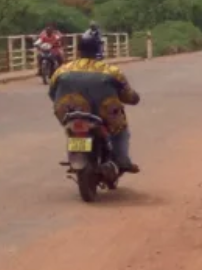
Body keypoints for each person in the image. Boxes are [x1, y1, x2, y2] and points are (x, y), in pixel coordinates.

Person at [49, 34, 142, 174]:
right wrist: (134, 99)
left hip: (70, 112)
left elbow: (52, 93)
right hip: (103, 114)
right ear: (99, 50)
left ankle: (74, 157)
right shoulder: (111, 71)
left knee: (72, 129)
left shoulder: (61, 70)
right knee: (120, 129)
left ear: (78, 50)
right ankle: (122, 161)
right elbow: (128, 95)